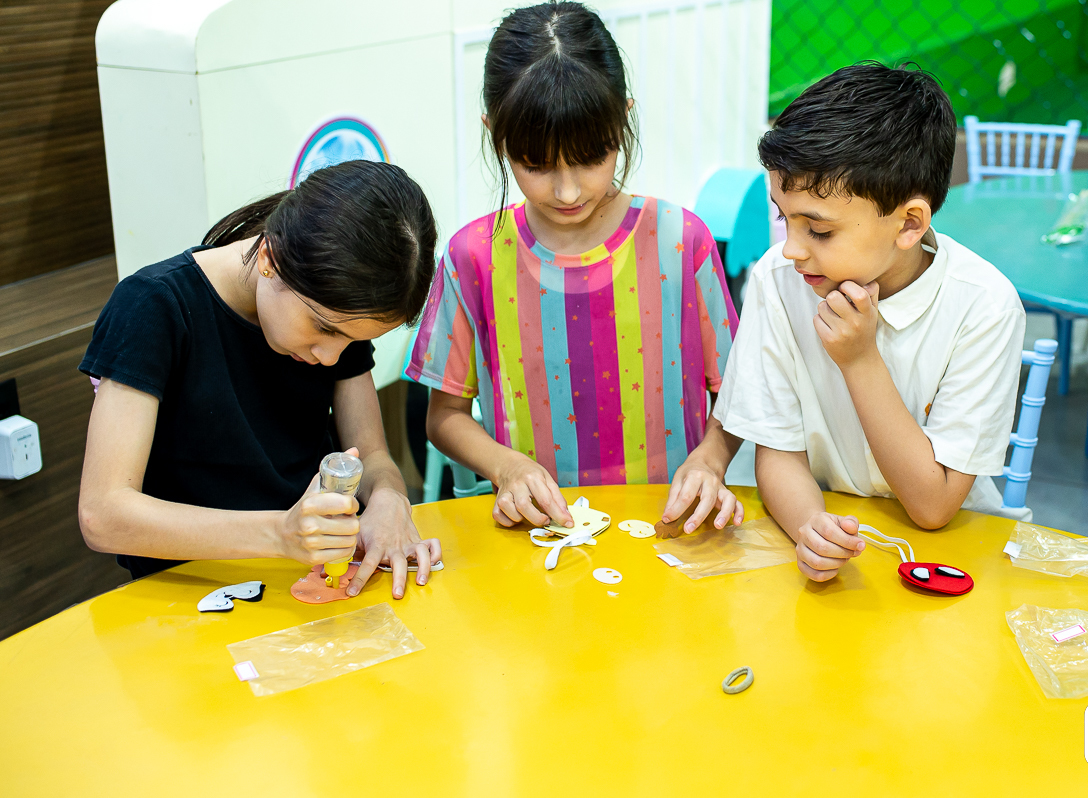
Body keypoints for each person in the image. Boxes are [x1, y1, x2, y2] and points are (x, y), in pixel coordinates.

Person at [406, 0, 744, 534]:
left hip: (671, 529)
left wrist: (711, 459)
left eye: (591, 157)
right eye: (536, 164)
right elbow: (444, 417)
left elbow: (736, 395)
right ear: (494, 133)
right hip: (539, 535)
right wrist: (506, 467)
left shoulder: (682, 241)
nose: (567, 191)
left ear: (622, 119)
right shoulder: (473, 257)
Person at [711, 63, 1028, 582]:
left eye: (818, 230)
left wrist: (859, 360)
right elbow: (778, 453)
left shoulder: (984, 306)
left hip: (953, 553)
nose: (791, 250)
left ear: (909, 224)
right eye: (784, 218)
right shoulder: (779, 280)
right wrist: (811, 528)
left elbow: (933, 506)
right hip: (834, 534)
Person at [78, 160, 441, 598]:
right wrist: (279, 533)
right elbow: (103, 515)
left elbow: (372, 454)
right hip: (187, 592)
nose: (330, 357)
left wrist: (388, 497)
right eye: (323, 329)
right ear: (270, 258)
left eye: (353, 341)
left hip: (309, 580)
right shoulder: (153, 307)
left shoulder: (340, 310)